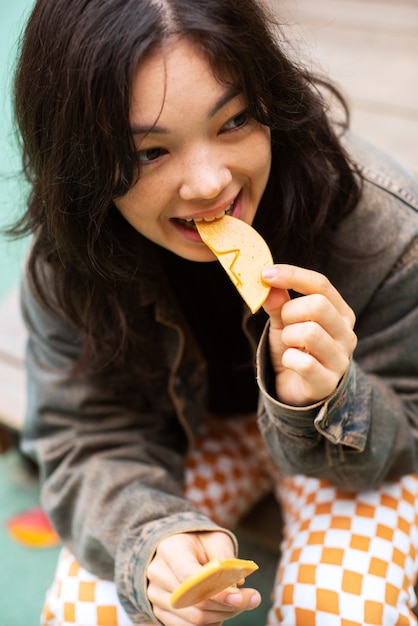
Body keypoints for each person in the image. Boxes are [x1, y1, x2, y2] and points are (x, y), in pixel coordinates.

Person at [8, 0, 418, 623]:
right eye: (149, 152)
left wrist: (335, 394)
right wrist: (151, 540)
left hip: (346, 452)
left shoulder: (382, 229)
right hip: (193, 436)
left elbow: (409, 433)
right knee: (93, 606)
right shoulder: (72, 258)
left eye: (233, 121)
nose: (206, 183)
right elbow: (82, 435)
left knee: (341, 608)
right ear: (83, 161)